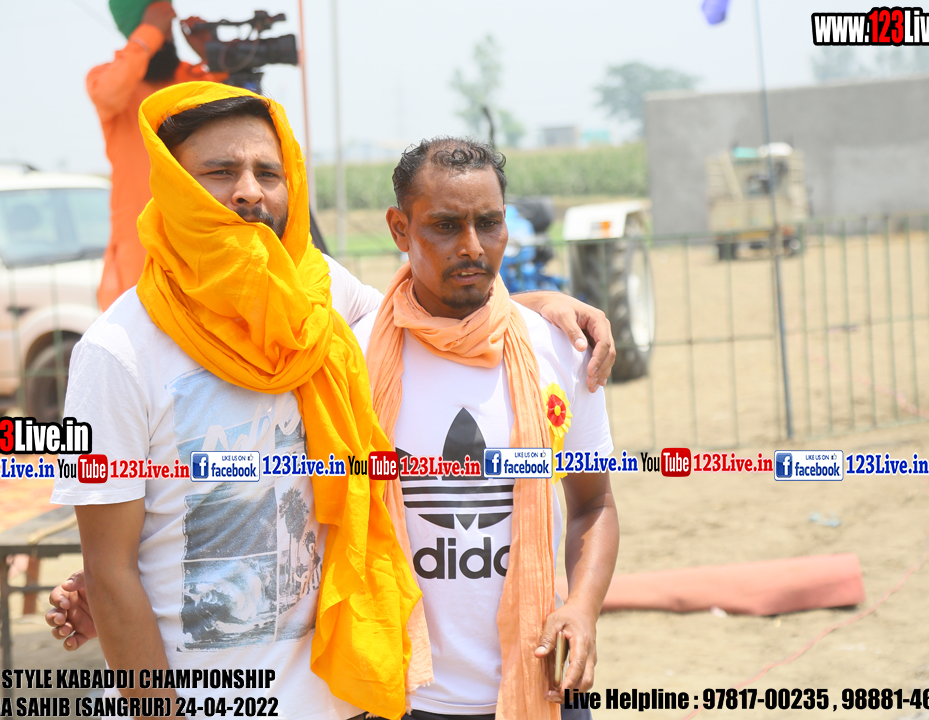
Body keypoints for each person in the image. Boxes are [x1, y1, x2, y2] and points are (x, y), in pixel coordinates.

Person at [50, 81, 616, 719]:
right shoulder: (117, 354)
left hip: (340, 699)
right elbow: (110, 568)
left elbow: (430, 312)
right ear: (174, 185)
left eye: (268, 172)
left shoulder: (318, 300)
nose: (249, 191)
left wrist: (538, 309)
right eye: (220, 171)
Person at [355, 137, 619, 719]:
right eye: (445, 226)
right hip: (399, 694)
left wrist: (582, 608)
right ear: (400, 229)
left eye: (490, 223)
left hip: (541, 687)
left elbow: (593, 503)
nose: (472, 247)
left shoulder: (560, 350)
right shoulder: (354, 356)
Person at [91, 1, 223, 310]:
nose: (170, 29)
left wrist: (211, 56)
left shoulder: (190, 78)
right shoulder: (107, 80)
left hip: (200, 239)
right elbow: (108, 93)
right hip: (140, 247)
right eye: (163, 23)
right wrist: (150, 31)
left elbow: (232, 105)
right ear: (138, 27)